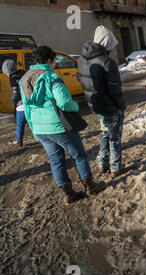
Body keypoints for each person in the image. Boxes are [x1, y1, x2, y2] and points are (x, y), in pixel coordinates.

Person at [19, 46, 103, 205]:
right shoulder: (51, 77)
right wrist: (76, 107)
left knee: (56, 161)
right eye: (55, 60)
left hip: (40, 129)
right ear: (50, 60)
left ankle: (68, 194)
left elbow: (27, 109)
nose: (55, 63)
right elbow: (64, 102)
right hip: (59, 126)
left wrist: (35, 131)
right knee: (79, 155)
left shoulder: (25, 79)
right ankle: (90, 186)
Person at [78, 25, 126, 177]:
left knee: (105, 133)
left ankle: (101, 163)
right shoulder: (107, 62)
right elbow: (115, 89)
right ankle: (115, 167)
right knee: (115, 138)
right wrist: (122, 105)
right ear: (106, 43)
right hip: (110, 107)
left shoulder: (82, 59)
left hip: (96, 106)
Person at [2, 59, 26, 147]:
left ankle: (19, 140)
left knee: (20, 123)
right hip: (31, 101)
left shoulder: (13, 78)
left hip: (21, 104)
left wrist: (13, 101)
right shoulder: (23, 73)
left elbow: (16, 93)